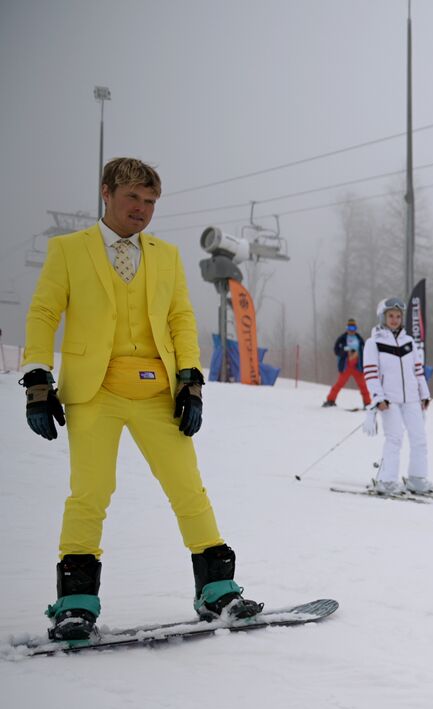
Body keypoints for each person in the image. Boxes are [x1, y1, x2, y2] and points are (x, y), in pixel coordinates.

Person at [19, 157, 262, 641]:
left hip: (155, 391)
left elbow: (181, 319)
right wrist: (38, 380)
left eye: (150, 202)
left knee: (187, 487)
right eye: (133, 197)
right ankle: (75, 604)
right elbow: (45, 311)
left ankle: (217, 591)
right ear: (106, 193)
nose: (142, 209)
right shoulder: (69, 250)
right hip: (95, 391)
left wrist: (191, 382)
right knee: (91, 492)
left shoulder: (164, 255)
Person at [362, 298, 433, 495]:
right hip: (389, 400)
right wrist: (378, 398)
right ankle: (386, 481)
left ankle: (417, 479)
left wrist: (424, 394)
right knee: (395, 438)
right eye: (390, 316)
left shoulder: (409, 342)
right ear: (382, 317)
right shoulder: (373, 343)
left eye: (398, 316)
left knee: (419, 438)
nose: (394, 320)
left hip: (411, 399)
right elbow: (371, 374)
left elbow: (418, 372)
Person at [323, 317, 371, 408]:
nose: (351, 330)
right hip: (346, 365)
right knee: (339, 384)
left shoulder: (359, 339)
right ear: (347, 328)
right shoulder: (342, 338)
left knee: (363, 385)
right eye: (350, 328)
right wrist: (346, 351)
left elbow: (365, 351)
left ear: (356, 329)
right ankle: (330, 400)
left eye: (353, 328)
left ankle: (367, 403)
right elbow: (336, 351)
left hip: (358, 365)